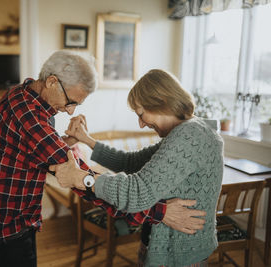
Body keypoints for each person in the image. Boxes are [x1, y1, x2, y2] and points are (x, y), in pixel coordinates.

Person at [0, 51, 206, 267]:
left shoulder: (21, 94)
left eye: (77, 104)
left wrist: (70, 143)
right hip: (9, 229)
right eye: (71, 101)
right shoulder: (31, 119)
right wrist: (160, 213)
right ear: (52, 81)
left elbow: (30, 152)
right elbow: (85, 183)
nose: (71, 111)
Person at [50, 69, 224, 267]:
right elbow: (131, 162)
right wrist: (87, 140)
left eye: (141, 114)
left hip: (178, 254)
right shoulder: (187, 131)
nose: (141, 124)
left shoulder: (190, 136)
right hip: (170, 247)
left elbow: (137, 192)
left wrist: (83, 179)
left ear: (160, 101)